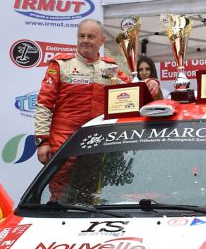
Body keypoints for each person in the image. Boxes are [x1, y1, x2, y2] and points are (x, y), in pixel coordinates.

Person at [34, 19, 159, 164]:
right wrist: (42, 141)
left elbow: (133, 86)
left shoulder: (109, 67)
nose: (85, 40)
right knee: (61, 185)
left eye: (91, 36)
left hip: (98, 142)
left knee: (96, 185)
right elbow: (44, 104)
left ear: (102, 40)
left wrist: (151, 82)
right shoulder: (61, 65)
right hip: (63, 141)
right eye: (82, 36)